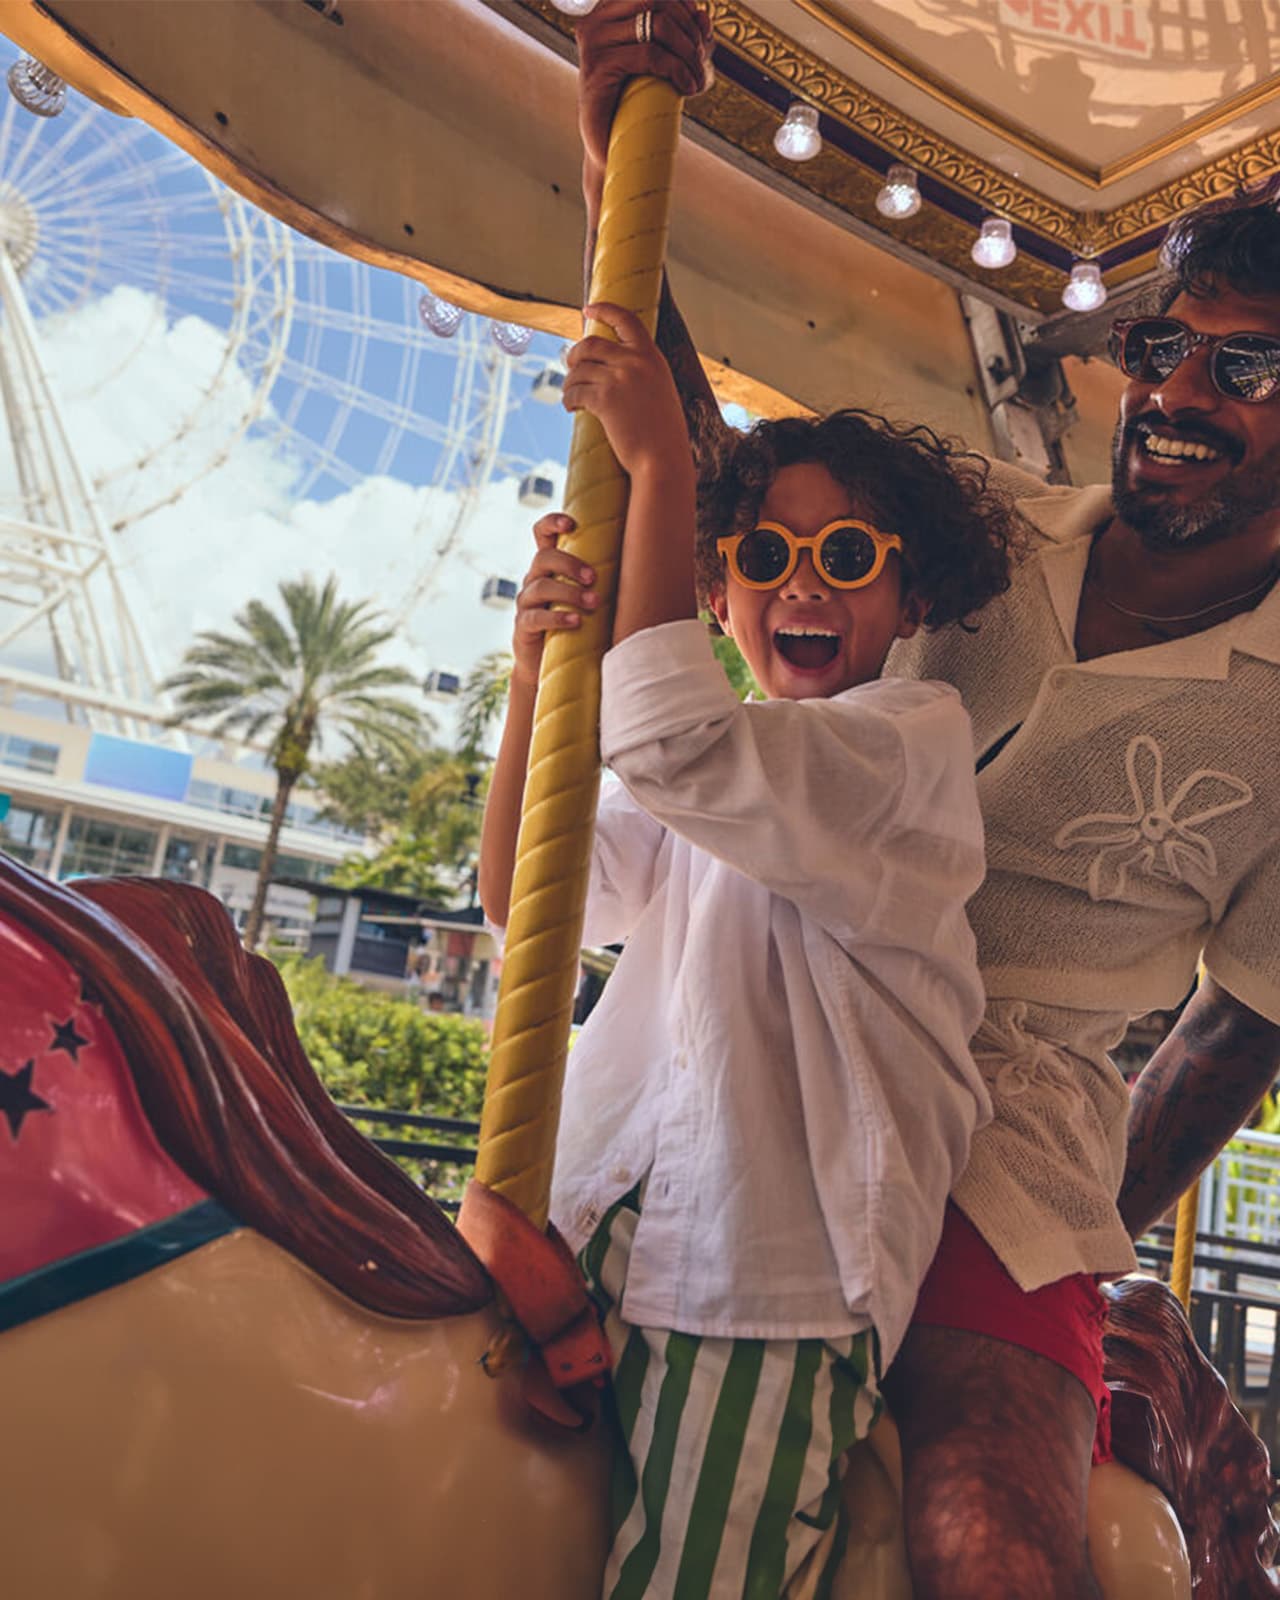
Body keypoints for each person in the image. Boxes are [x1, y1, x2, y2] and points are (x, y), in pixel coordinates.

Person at [570, 9, 1280, 1595]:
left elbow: (1242, 1023)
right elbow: (719, 484)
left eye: (1247, 367)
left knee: (988, 1541)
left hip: (1010, 1137)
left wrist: (1065, 1229)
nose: (1178, 391)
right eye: (1160, 348)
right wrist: (614, 143)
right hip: (765, 1032)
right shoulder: (987, 532)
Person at [479, 296, 1014, 1597]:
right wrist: (537, 684)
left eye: (845, 552)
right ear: (715, 594)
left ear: (913, 591)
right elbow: (524, 896)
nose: (803, 585)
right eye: (764, 558)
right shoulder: (728, 782)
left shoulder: (902, 750)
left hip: (767, 1280)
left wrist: (661, 464)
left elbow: (675, 738)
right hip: (605, 1223)